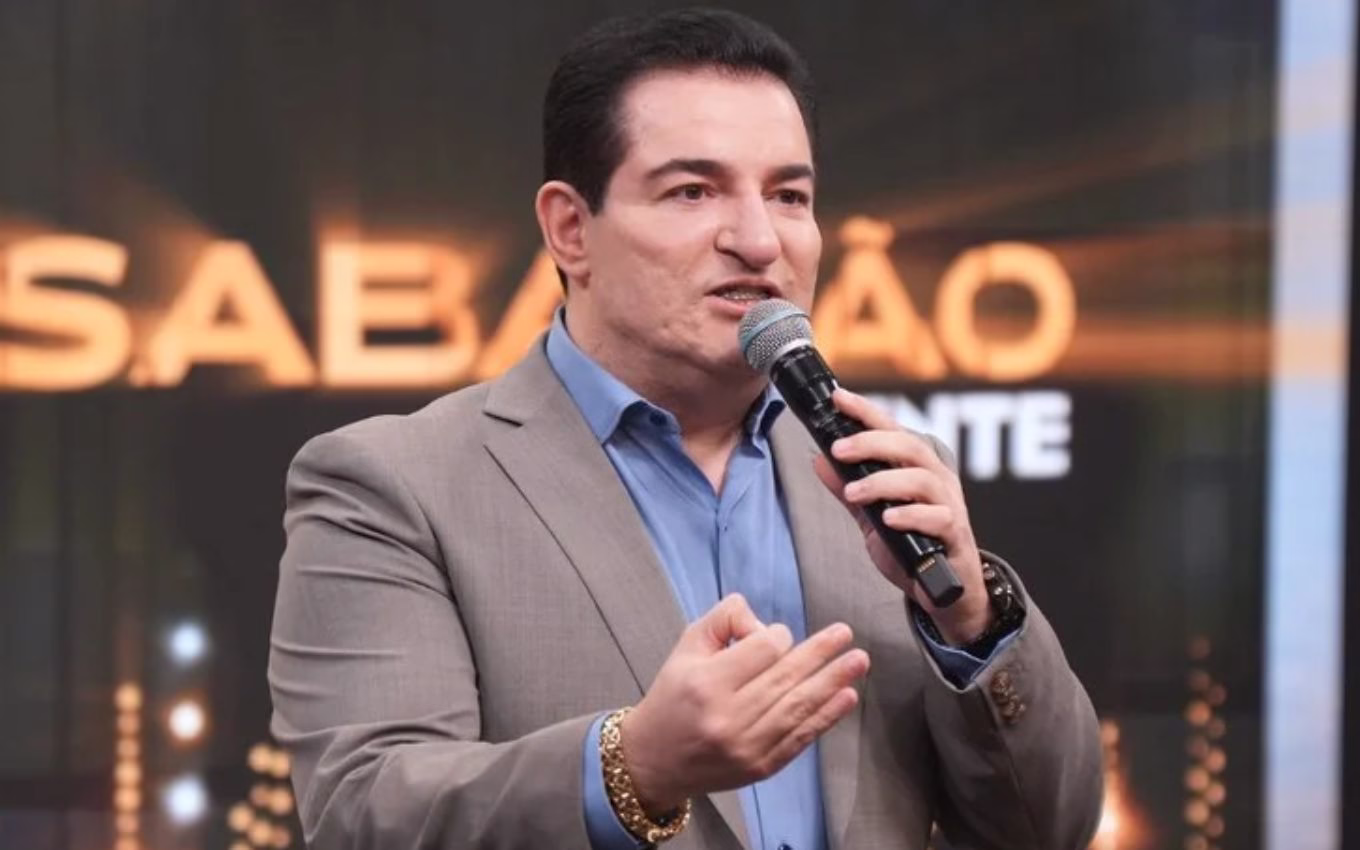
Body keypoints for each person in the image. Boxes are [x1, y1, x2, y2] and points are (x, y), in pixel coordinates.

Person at [268, 8, 1103, 849]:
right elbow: (364, 815)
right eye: (693, 192)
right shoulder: (396, 485)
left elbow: (1049, 828)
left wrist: (972, 623)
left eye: (789, 196)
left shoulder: (882, 481)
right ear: (570, 229)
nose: (758, 240)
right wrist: (633, 768)